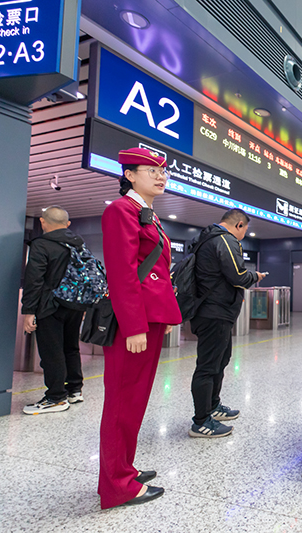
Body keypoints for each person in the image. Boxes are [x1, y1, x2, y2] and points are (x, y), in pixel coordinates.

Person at [98, 147, 182, 508]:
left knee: (134, 400)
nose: (161, 176)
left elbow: (155, 271)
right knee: (122, 402)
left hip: (150, 318)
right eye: (151, 170)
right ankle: (117, 485)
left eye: (163, 171)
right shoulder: (121, 210)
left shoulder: (146, 213)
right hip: (133, 323)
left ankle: (124, 469)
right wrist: (133, 326)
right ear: (129, 175)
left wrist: (162, 317)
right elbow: (121, 273)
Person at [188, 209, 265, 438]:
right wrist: (255, 276)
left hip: (214, 311)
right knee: (208, 366)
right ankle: (201, 421)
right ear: (239, 225)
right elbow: (238, 276)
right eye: (245, 231)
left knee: (220, 360)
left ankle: (212, 406)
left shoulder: (206, 238)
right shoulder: (225, 240)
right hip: (215, 312)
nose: (243, 236)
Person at [20, 206, 86, 414]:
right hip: (75, 305)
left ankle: (56, 397)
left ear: (42, 221)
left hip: (50, 306)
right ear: (67, 224)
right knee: (71, 347)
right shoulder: (79, 245)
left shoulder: (41, 245)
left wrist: (29, 311)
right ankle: (74, 390)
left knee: (51, 351)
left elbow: (34, 280)